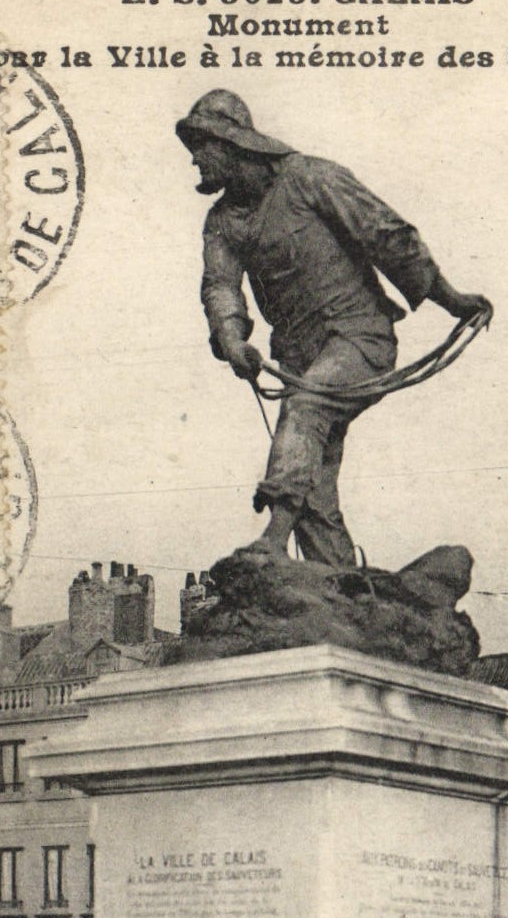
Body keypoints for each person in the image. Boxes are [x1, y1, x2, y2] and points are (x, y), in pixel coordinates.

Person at [176, 89, 491, 567]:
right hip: (299, 357)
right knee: (316, 482)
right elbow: (219, 286)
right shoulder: (222, 221)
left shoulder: (310, 177)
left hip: (360, 340)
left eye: (202, 146)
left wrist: (450, 300)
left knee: (305, 408)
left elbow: (386, 235)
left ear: (231, 143)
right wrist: (233, 340)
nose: (196, 161)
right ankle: (338, 581)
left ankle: (271, 539)